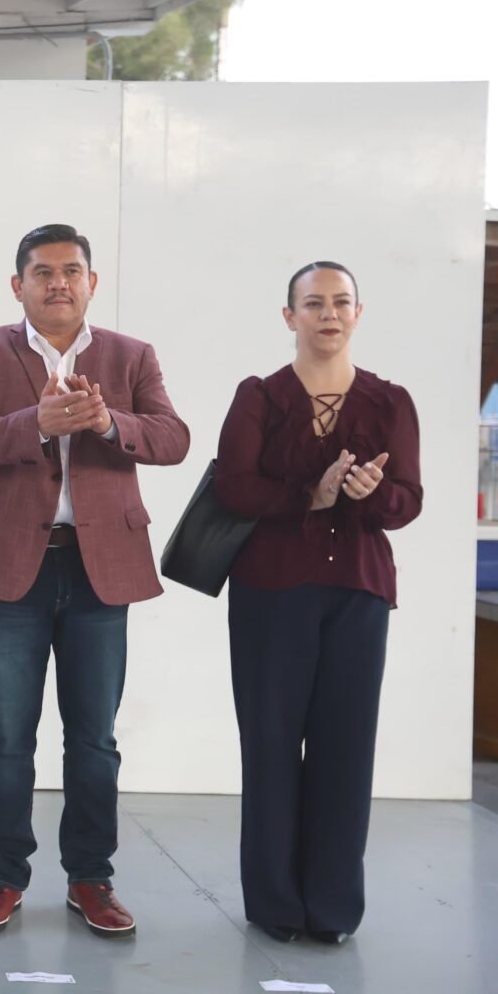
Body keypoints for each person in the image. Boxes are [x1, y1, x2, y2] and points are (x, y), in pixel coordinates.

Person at [0, 224, 189, 938]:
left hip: (100, 566)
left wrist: (108, 423)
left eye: (72, 271)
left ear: (91, 283)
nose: (58, 283)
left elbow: (173, 438)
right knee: (8, 736)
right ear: (19, 286)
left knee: (95, 739)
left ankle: (91, 878)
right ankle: (1, 876)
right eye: (42, 272)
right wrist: (36, 423)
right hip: (7, 564)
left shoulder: (132, 355)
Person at [213, 261, 421, 946]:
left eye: (340, 302)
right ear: (290, 316)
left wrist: (370, 494)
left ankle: (332, 910)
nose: (329, 314)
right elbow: (234, 488)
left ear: (358, 313)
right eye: (313, 303)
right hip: (271, 591)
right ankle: (276, 905)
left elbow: (408, 500)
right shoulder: (259, 396)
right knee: (270, 745)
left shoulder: (391, 401)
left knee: (346, 749)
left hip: (359, 591)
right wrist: (313, 493)